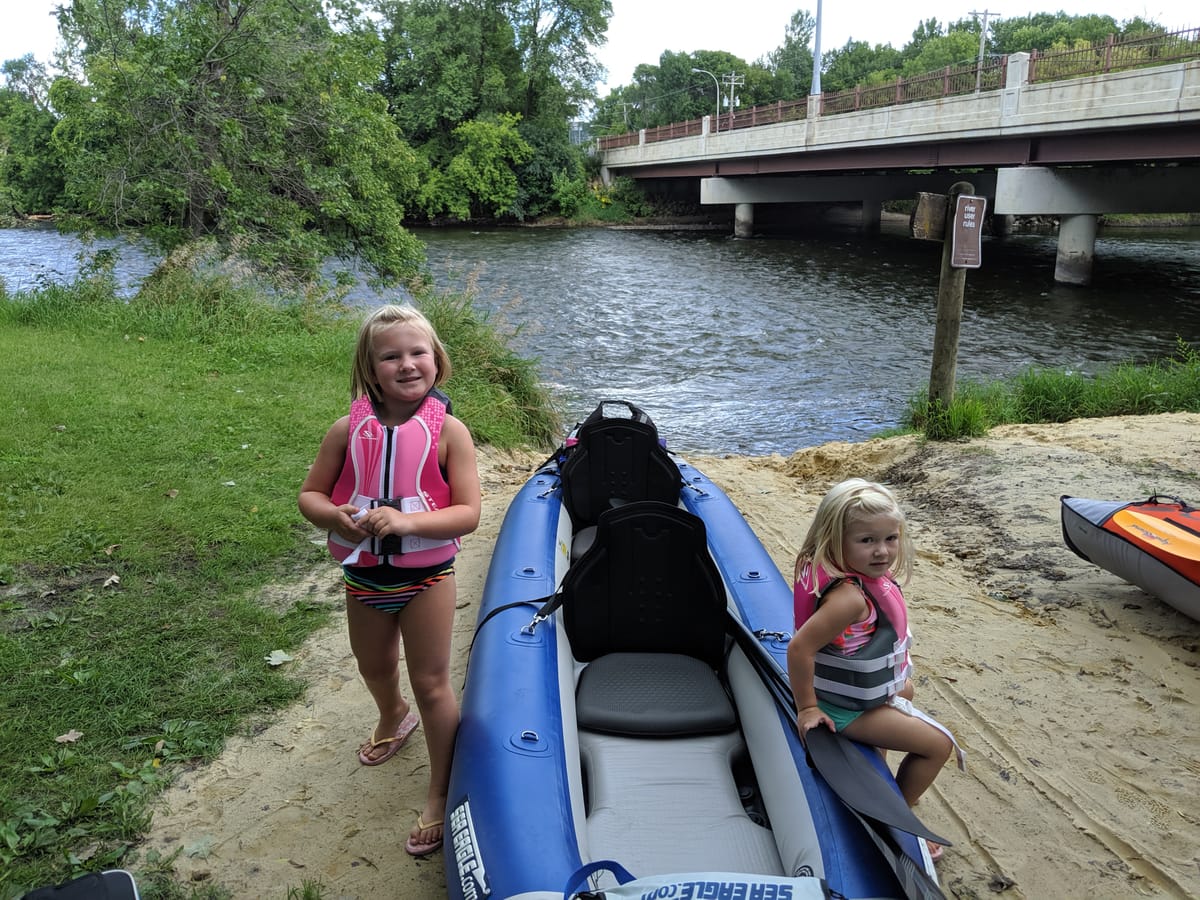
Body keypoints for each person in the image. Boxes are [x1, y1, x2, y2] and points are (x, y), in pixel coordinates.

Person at [299, 304, 481, 858]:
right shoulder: (344, 430)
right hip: (364, 578)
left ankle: (440, 789)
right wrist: (334, 516)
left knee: (432, 682)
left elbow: (468, 513)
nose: (407, 364)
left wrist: (408, 521)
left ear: (437, 361)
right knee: (374, 666)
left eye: (418, 352)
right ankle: (391, 715)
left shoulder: (450, 432)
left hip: (427, 577)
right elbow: (310, 497)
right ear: (370, 368)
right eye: (391, 356)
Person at [787, 478, 962, 863]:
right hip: (840, 708)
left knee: (908, 690)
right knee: (938, 746)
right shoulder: (849, 598)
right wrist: (807, 709)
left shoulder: (827, 566)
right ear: (835, 538)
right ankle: (899, 815)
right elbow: (799, 648)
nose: (882, 551)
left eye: (890, 538)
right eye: (866, 541)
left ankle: (875, 771)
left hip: (851, 693)